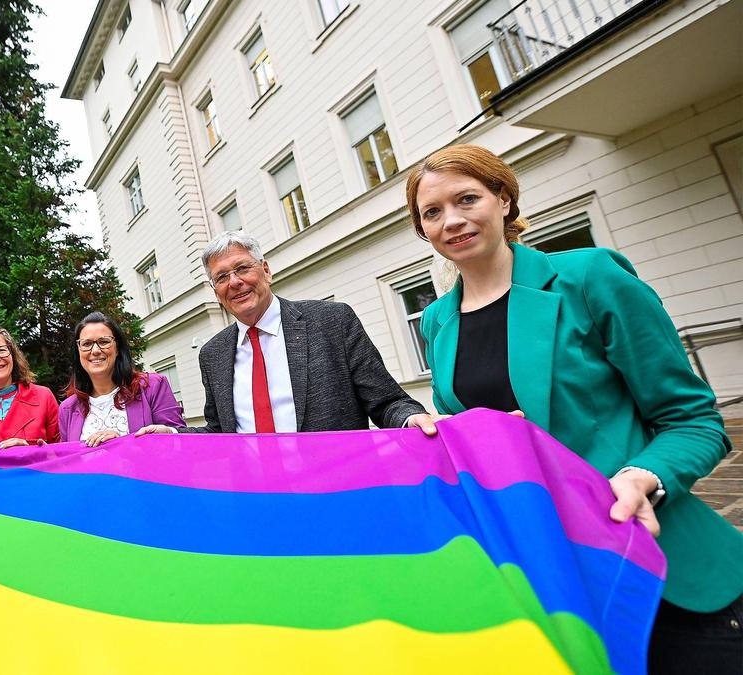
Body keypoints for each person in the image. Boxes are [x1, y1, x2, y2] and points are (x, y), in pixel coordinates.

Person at [406, 143, 743, 673]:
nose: (451, 220)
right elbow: (477, 441)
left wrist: (644, 477)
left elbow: (694, 420)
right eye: (432, 212)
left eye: (466, 199)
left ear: (503, 199)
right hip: (548, 580)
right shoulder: (436, 323)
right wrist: (446, 438)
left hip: (659, 568)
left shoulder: (588, 277)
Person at [137, 231, 436, 436]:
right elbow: (220, 430)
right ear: (216, 291)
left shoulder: (331, 321)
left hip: (337, 493)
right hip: (260, 498)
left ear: (266, 270)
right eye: (222, 277)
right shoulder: (213, 354)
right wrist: (173, 434)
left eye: (243, 268)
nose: (235, 282)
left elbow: (386, 402)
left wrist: (411, 419)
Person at [58, 312, 185, 446]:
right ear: (78, 351)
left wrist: (121, 443)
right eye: (86, 344)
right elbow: (69, 462)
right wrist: (46, 455)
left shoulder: (153, 387)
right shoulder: (67, 408)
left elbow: (182, 443)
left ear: (117, 348)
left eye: (104, 342)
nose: (95, 350)